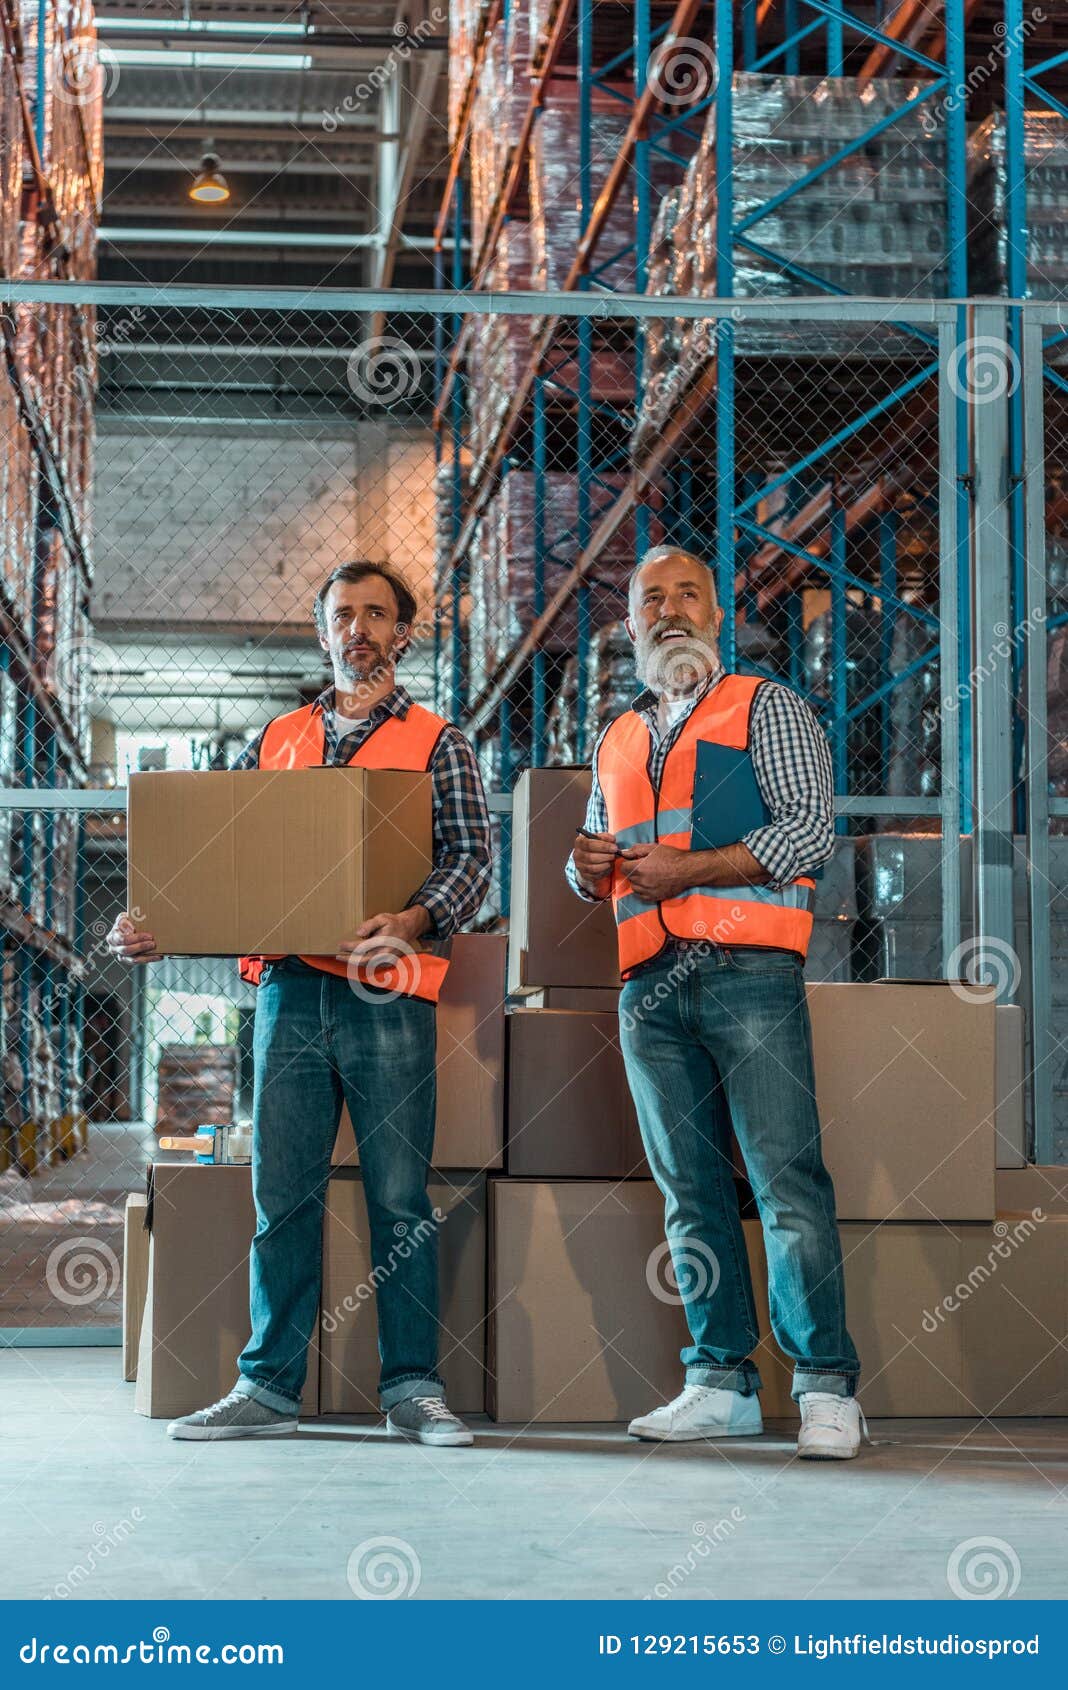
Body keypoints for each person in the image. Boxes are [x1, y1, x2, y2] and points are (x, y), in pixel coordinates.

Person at [109, 561, 492, 1447]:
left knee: (399, 1199)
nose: (358, 629)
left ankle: (412, 1390)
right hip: (286, 993)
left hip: (383, 993)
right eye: (342, 615)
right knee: (281, 1199)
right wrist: (159, 922)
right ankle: (269, 1388)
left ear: (404, 633)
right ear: (322, 634)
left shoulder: (440, 743)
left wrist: (413, 918)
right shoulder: (276, 739)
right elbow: (222, 862)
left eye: (376, 615)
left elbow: (472, 859)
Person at [567, 545, 863, 1460]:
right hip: (649, 989)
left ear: (718, 611)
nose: (669, 609)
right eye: (650, 598)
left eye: (687, 593)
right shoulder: (619, 735)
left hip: (748, 976)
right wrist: (582, 872)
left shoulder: (765, 707)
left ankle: (824, 1391)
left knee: (786, 1183)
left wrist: (693, 869)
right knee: (690, 1192)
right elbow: (601, 852)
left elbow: (811, 829)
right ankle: (720, 1383)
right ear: (630, 624)